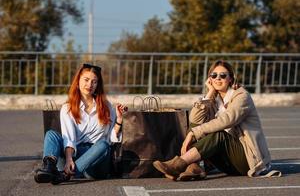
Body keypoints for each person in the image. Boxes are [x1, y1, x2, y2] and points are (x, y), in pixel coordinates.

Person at [153, 60, 281, 181]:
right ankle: (194, 167)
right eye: (213, 75)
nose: (217, 78)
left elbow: (227, 120)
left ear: (230, 78)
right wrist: (209, 93)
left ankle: (179, 164)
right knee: (196, 125)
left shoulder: (242, 96)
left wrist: (193, 133)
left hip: (248, 160)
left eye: (222, 75)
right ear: (209, 79)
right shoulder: (214, 99)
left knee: (218, 134)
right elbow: (194, 119)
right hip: (228, 161)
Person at [34, 63, 127, 184]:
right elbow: (69, 137)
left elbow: (111, 138)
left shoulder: (106, 107)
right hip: (74, 156)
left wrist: (119, 119)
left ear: (97, 85)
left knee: (103, 145)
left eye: (94, 81)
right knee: (51, 134)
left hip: (96, 162)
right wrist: (68, 160)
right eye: (86, 80)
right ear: (78, 81)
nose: (90, 85)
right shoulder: (68, 108)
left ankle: (66, 174)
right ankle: (49, 168)